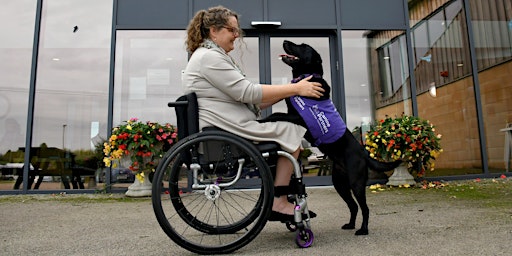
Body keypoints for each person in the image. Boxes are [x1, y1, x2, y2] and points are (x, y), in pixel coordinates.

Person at [182, 6, 324, 221]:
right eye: (232, 30)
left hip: (227, 126)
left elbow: (250, 99)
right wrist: (295, 89)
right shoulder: (209, 58)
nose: (236, 35)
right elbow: (248, 92)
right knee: (292, 133)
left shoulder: (209, 56)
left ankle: (280, 196)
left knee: (285, 131)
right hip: (227, 132)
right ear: (214, 31)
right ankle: (279, 202)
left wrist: (289, 92)